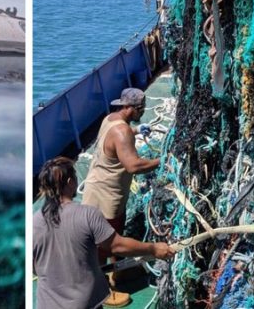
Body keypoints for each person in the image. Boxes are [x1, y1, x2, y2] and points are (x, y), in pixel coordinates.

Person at [34, 157, 173, 309]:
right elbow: (117, 246)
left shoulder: (33, 224)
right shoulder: (87, 215)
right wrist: (153, 249)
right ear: (70, 182)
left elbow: (34, 268)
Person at [81, 87, 160, 306]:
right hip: (106, 195)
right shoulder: (122, 132)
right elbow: (133, 165)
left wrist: (136, 130)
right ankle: (101, 290)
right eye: (141, 109)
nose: (142, 112)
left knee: (115, 233)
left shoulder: (111, 119)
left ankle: (117, 272)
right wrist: (161, 161)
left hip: (102, 187)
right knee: (104, 244)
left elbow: (119, 135)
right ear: (132, 108)